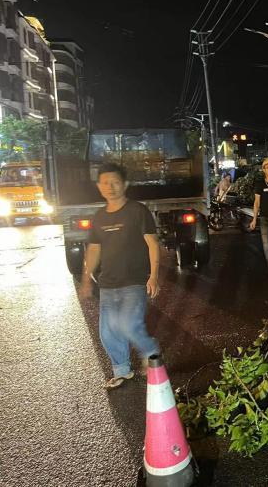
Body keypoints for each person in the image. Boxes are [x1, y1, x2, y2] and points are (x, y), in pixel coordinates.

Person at [78, 163, 161, 389]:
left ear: (124, 184)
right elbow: (94, 249)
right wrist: (87, 279)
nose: (110, 187)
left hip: (134, 281)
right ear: (99, 186)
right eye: (105, 183)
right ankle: (122, 371)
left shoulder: (138, 211)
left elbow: (152, 243)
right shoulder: (99, 216)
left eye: (115, 182)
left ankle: (151, 351)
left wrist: (153, 276)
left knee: (127, 324)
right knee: (107, 331)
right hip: (108, 283)